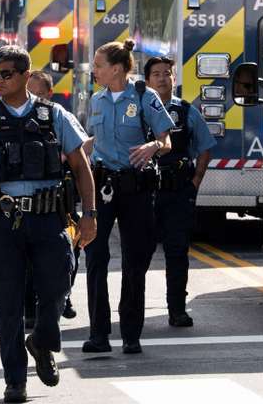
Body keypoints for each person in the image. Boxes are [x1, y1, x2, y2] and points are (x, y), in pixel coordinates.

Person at [0, 46, 97, 403]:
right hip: (4, 223)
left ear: (25, 74)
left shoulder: (54, 115)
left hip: (50, 219)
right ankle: (15, 380)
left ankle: (42, 341)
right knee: (8, 305)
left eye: (6, 74)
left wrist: (90, 216)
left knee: (57, 288)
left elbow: (80, 168)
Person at [80, 40, 173, 355]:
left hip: (136, 189)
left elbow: (166, 140)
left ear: (116, 69)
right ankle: (99, 334)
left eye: (98, 65)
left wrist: (153, 147)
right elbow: (98, 139)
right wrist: (74, 153)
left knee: (135, 261)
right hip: (103, 187)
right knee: (95, 259)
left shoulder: (145, 97)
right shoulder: (97, 100)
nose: (94, 70)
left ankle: (131, 333)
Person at [143, 55, 217, 327]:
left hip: (178, 194)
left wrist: (195, 181)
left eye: (167, 73)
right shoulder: (138, 109)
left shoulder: (185, 111)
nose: (163, 78)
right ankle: (133, 312)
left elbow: (205, 146)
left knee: (177, 253)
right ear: (147, 80)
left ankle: (177, 309)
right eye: (157, 74)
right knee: (140, 253)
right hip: (145, 193)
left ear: (174, 78)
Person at [21, 70, 79, 326]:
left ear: (50, 93)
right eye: (30, 92)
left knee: (68, 255)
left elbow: (84, 147)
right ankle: (30, 310)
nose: (35, 98)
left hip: (57, 202)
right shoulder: (6, 119)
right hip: (22, 205)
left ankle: (63, 297)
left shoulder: (58, 115)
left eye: (40, 93)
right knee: (25, 263)